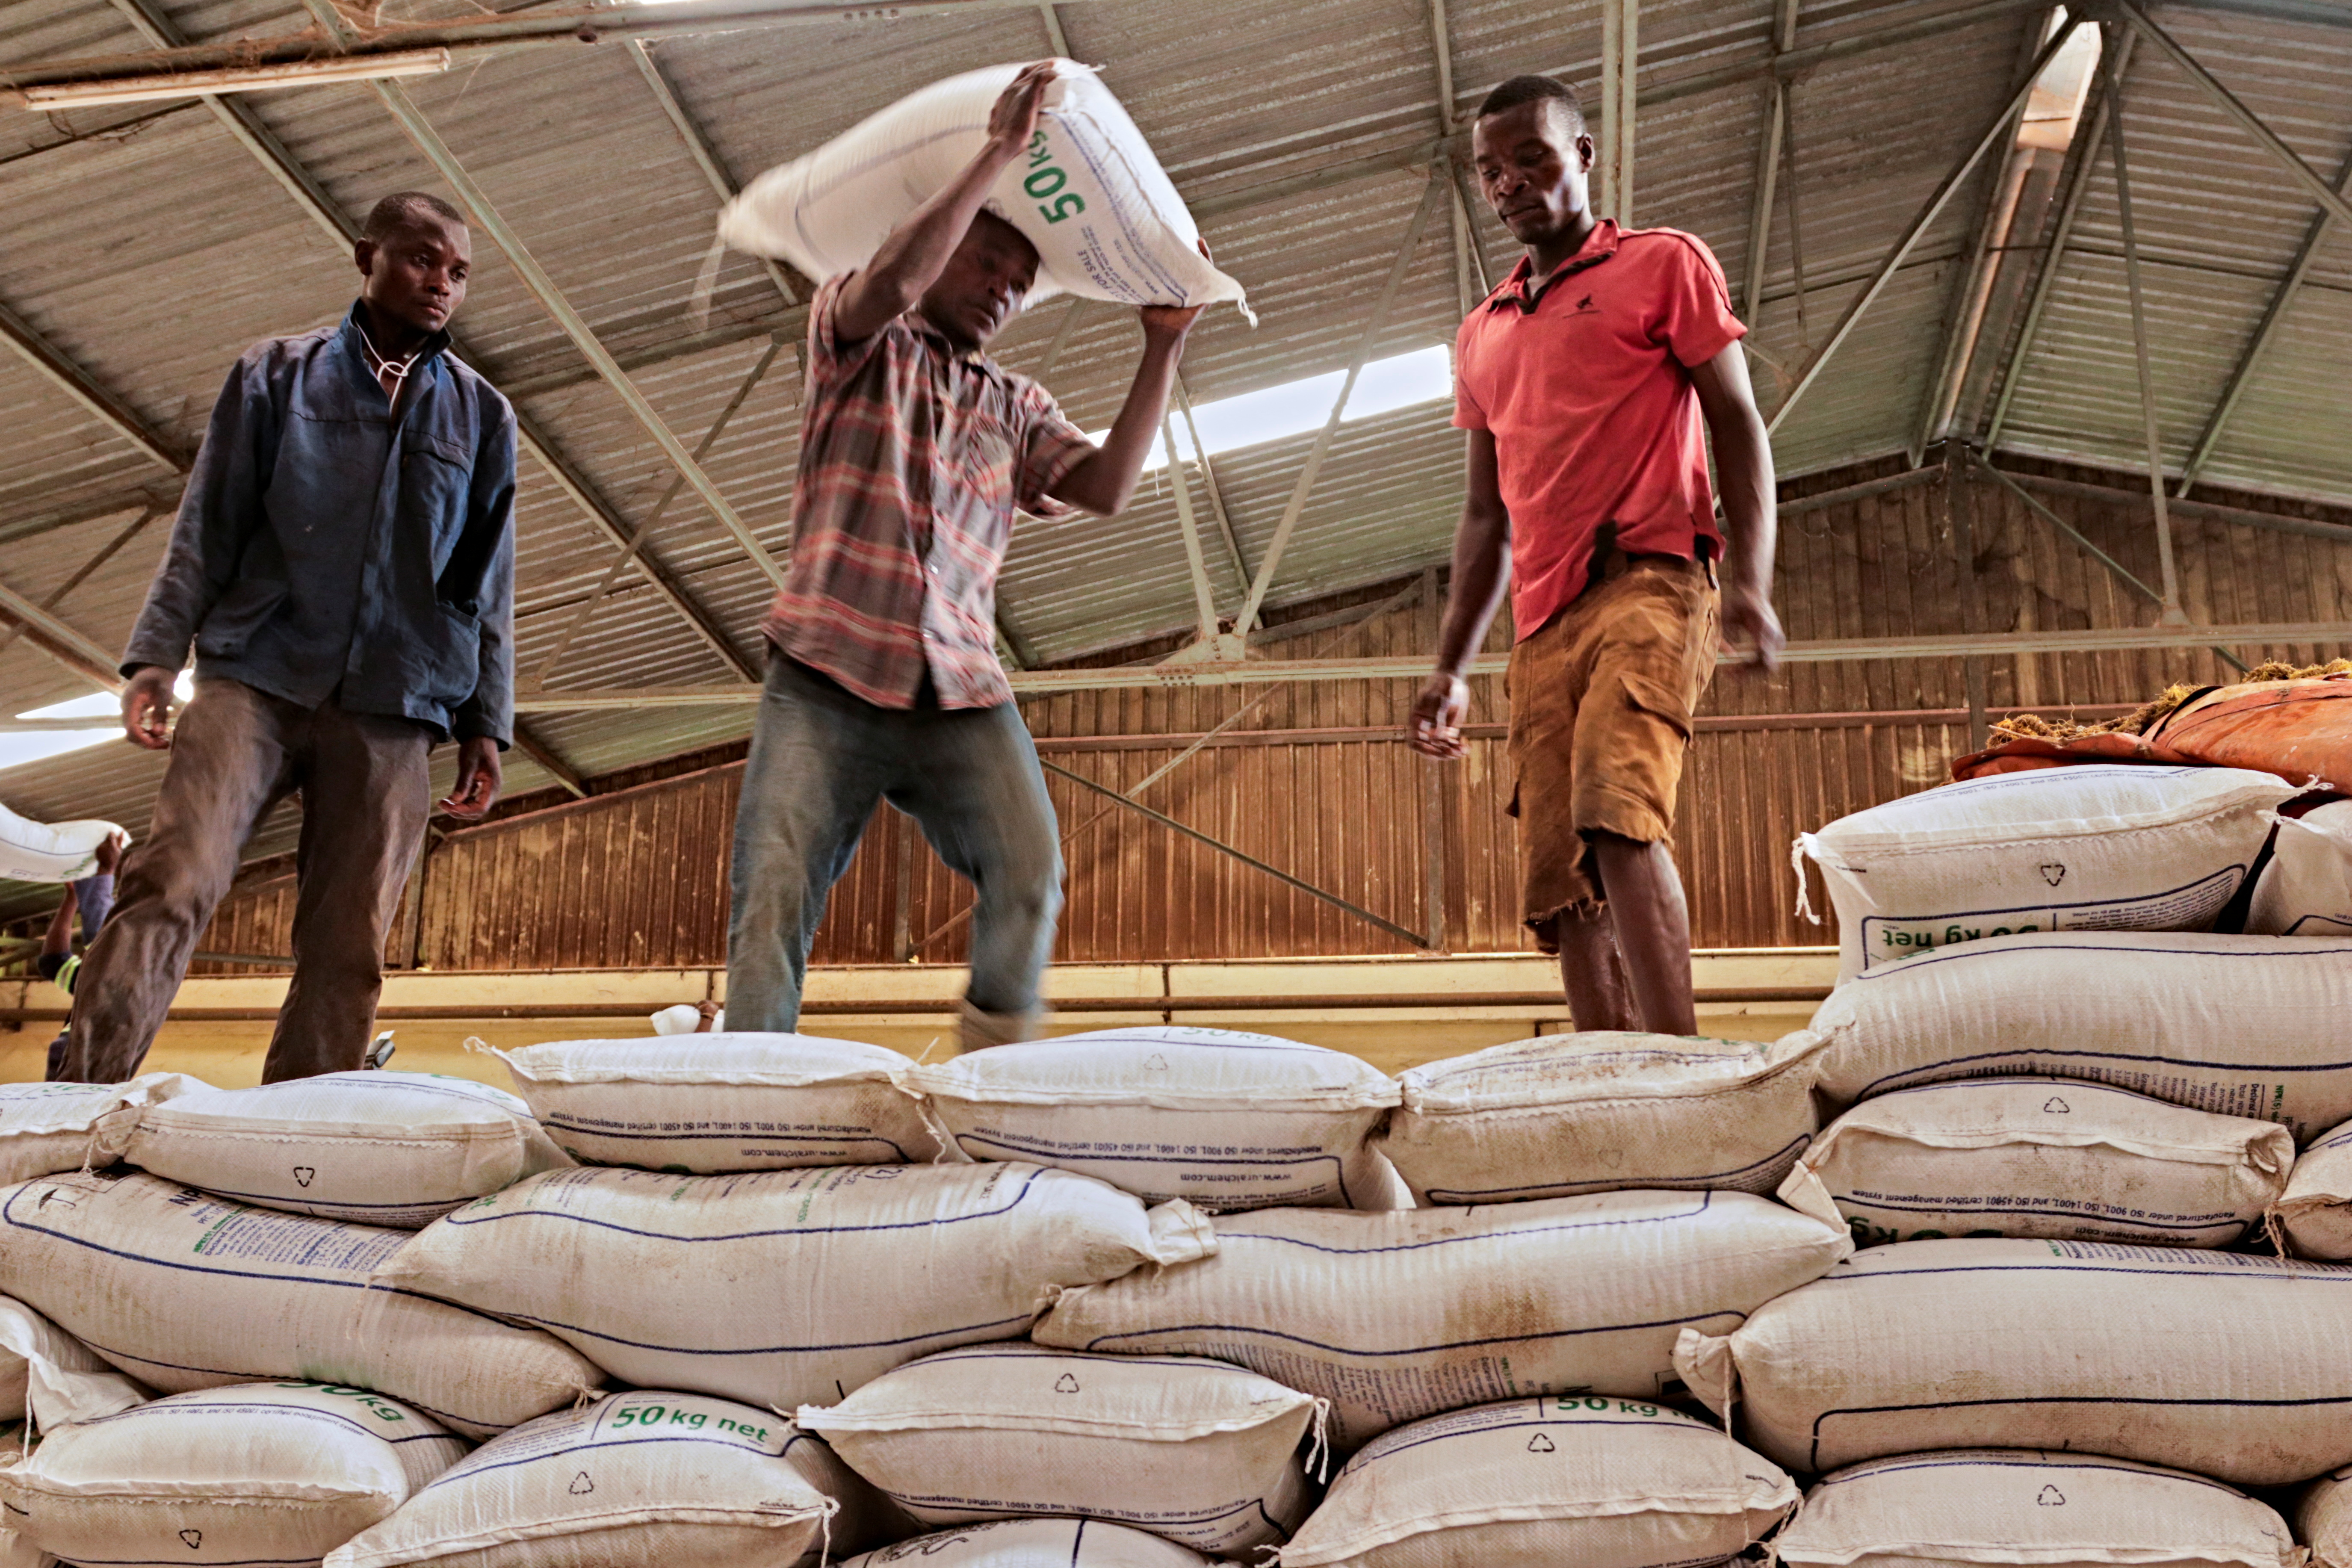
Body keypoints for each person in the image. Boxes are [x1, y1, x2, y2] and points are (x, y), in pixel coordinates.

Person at [730, 62, 1203, 1052]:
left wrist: (1162, 343)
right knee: (774, 894)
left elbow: (1108, 487)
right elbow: (894, 280)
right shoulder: (856, 339)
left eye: (1020, 286)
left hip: (958, 689)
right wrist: (999, 151)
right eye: (988, 265)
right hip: (824, 671)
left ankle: (989, 1080)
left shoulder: (1016, 406)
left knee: (1030, 873)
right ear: (947, 252)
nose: (1002, 291)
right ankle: (751, 1083)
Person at [57, 192, 517, 1085]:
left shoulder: (483, 417)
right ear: (367, 257)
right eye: (423, 259)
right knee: (175, 879)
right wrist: (158, 653)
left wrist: (484, 723)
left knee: (351, 940)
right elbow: (208, 523)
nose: (442, 284)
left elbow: (486, 584)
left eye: (458, 272)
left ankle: (295, 1132)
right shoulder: (274, 375)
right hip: (254, 676)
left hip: (397, 697)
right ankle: (83, 1098)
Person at [1408, 74, 1781, 1037]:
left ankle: (1681, 1065)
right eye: (1489, 172)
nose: (1508, 185)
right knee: (1556, 878)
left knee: (1616, 811)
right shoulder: (1481, 331)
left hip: (1650, 579)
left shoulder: (1663, 265)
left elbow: (1736, 421)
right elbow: (1482, 517)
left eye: (1529, 158)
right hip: (1539, 625)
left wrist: (1749, 579)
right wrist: (1450, 668)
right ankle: (1611, 1081)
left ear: (1581, 155)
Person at [37, 830, 125, 1080]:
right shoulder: (98, 983)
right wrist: (72, 898)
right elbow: (54, 962)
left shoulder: (123, 977)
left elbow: (104, 938)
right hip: (77, 1055)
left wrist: (105, 873)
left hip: (88, 1055)